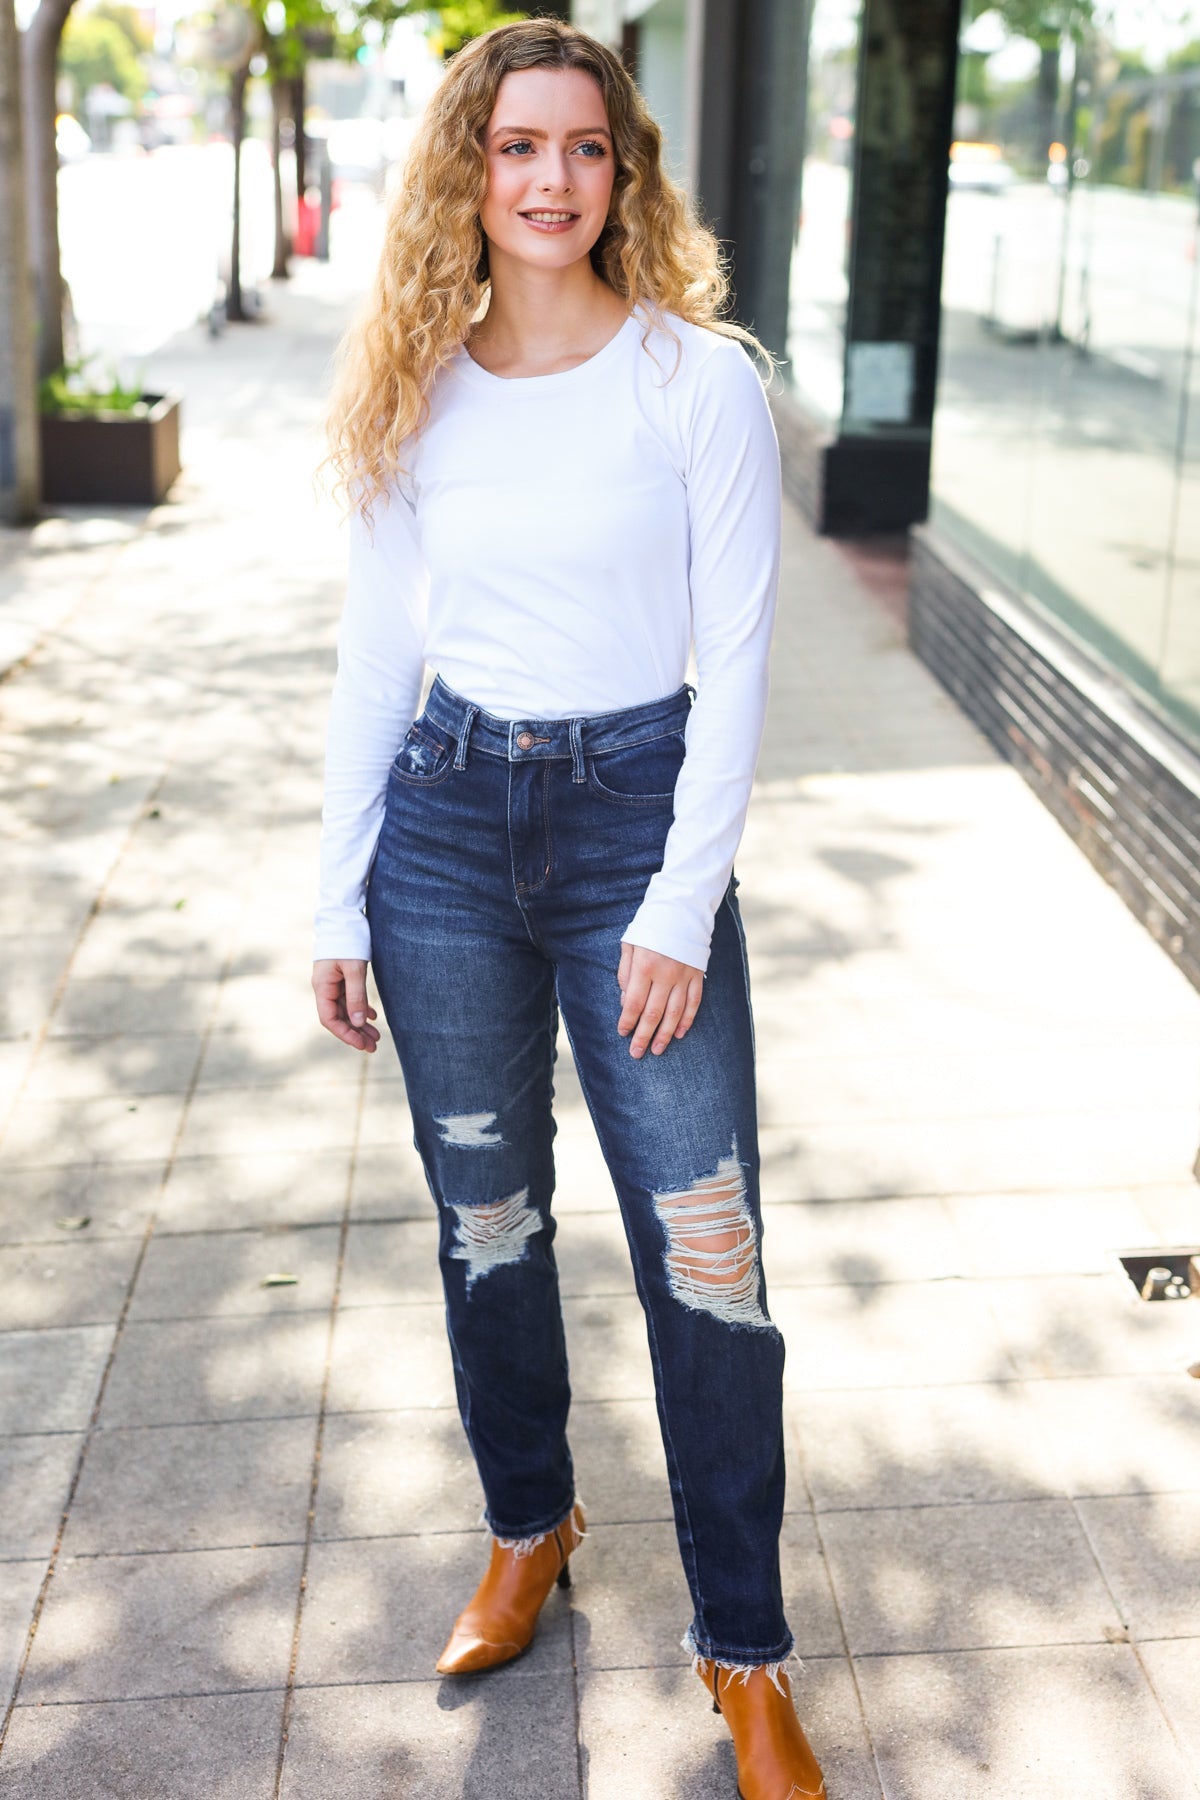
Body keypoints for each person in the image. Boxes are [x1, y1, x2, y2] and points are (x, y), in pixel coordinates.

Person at [311, 20, 825, 1800]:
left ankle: (745, 1651)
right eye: (516, 146)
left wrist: (680, 903)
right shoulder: (417, 384)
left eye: (584, 148)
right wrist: (335, 897)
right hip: (446, 833)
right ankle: (530, 1524)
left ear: (626, 172)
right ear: (469, 169)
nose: (551, 178)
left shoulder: (698, 382)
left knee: (709, 1248)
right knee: (489, 1222)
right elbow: (376, 658)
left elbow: (739, 660)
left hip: (634, 830)